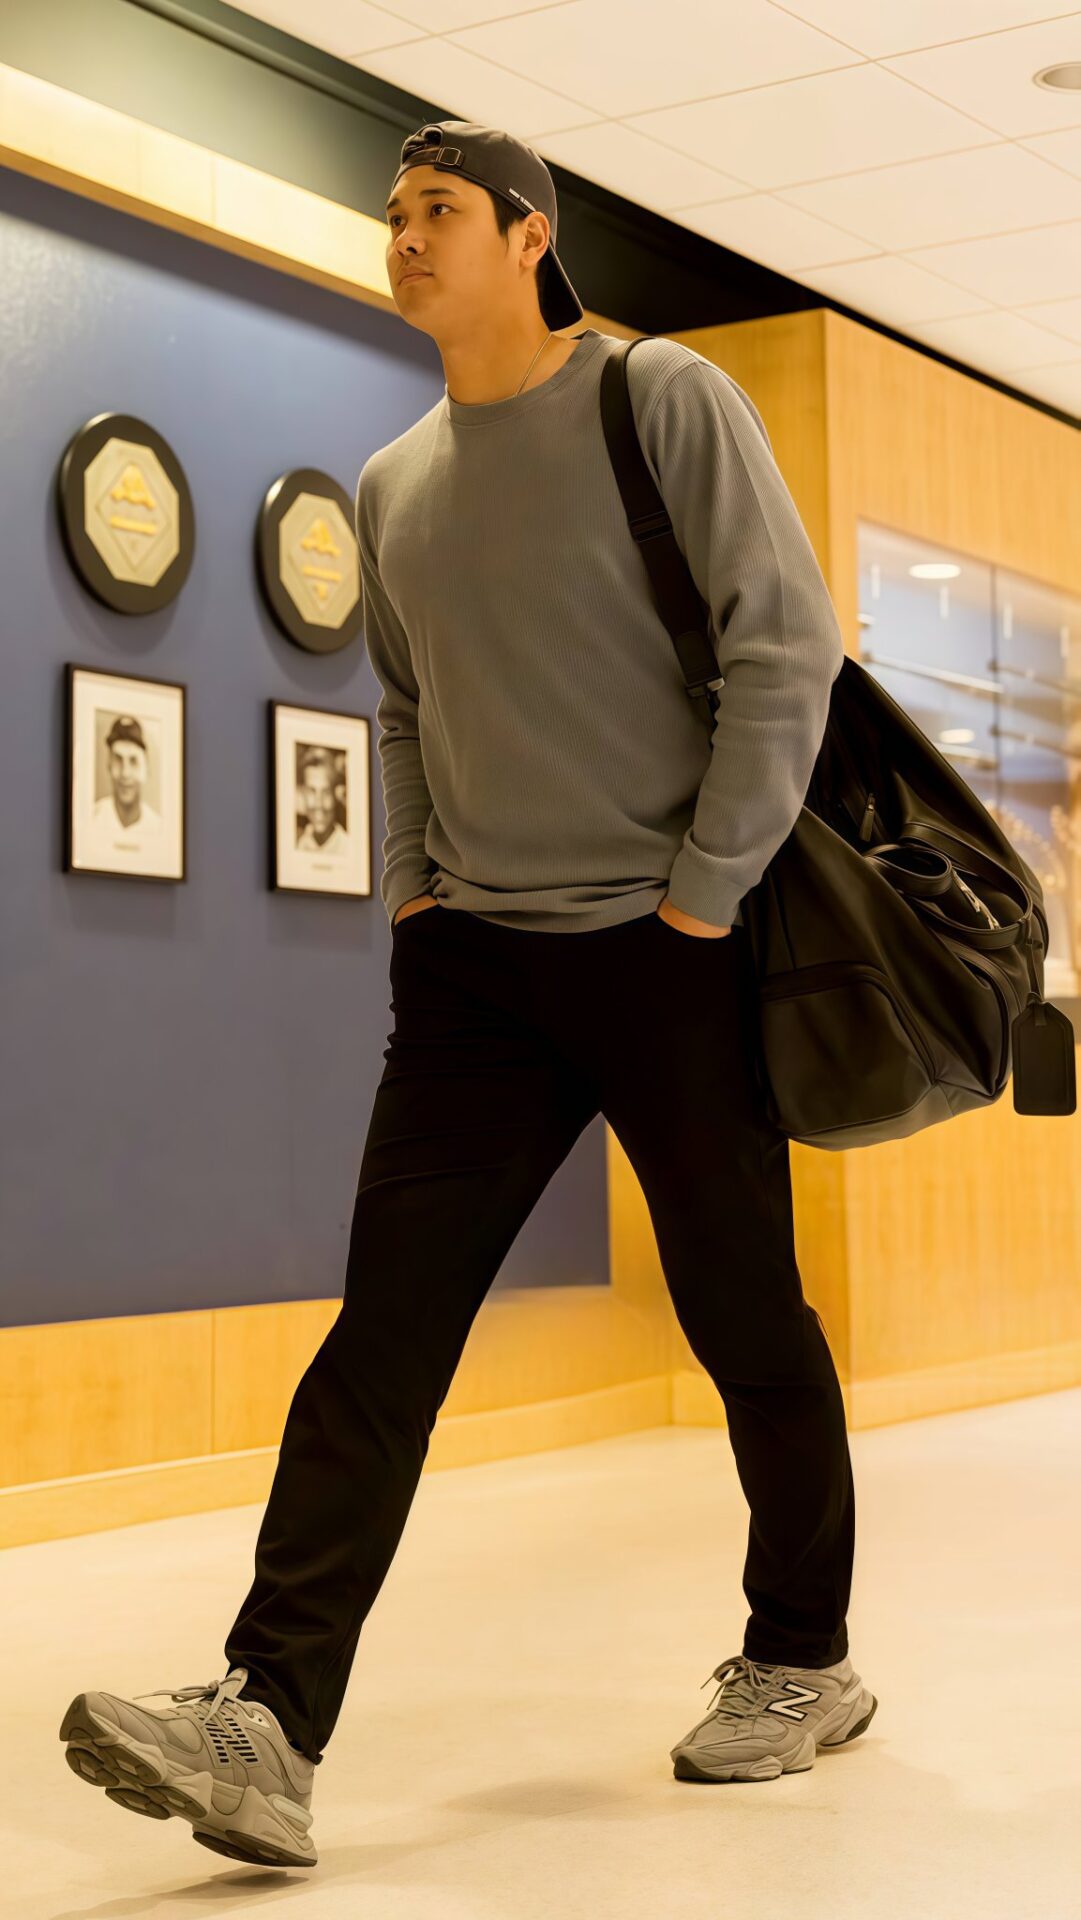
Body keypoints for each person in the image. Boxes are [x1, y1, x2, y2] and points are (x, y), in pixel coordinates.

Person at [60, 120, 876, 1873]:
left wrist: (701, 895)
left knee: (742, 1316)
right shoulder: (392, 480)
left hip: (671, 948)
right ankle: (266, 1722)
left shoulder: (658, 397)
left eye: (437, 210)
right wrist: (414, 886)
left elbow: (782, 647)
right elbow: (406, 704)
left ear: (528, 235)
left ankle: (802, 1656)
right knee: (387, 1335)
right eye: (392, 215)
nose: (404, 238)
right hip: (475, 970)